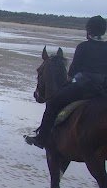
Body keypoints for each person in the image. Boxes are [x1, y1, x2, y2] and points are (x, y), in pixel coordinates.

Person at [25, 15, 107, 149]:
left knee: (53, 104)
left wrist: (68, 82)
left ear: (89, 31)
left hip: (85, 87)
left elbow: (73, 71)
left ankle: (41, 139)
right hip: (104, 88)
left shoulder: (83, 47)